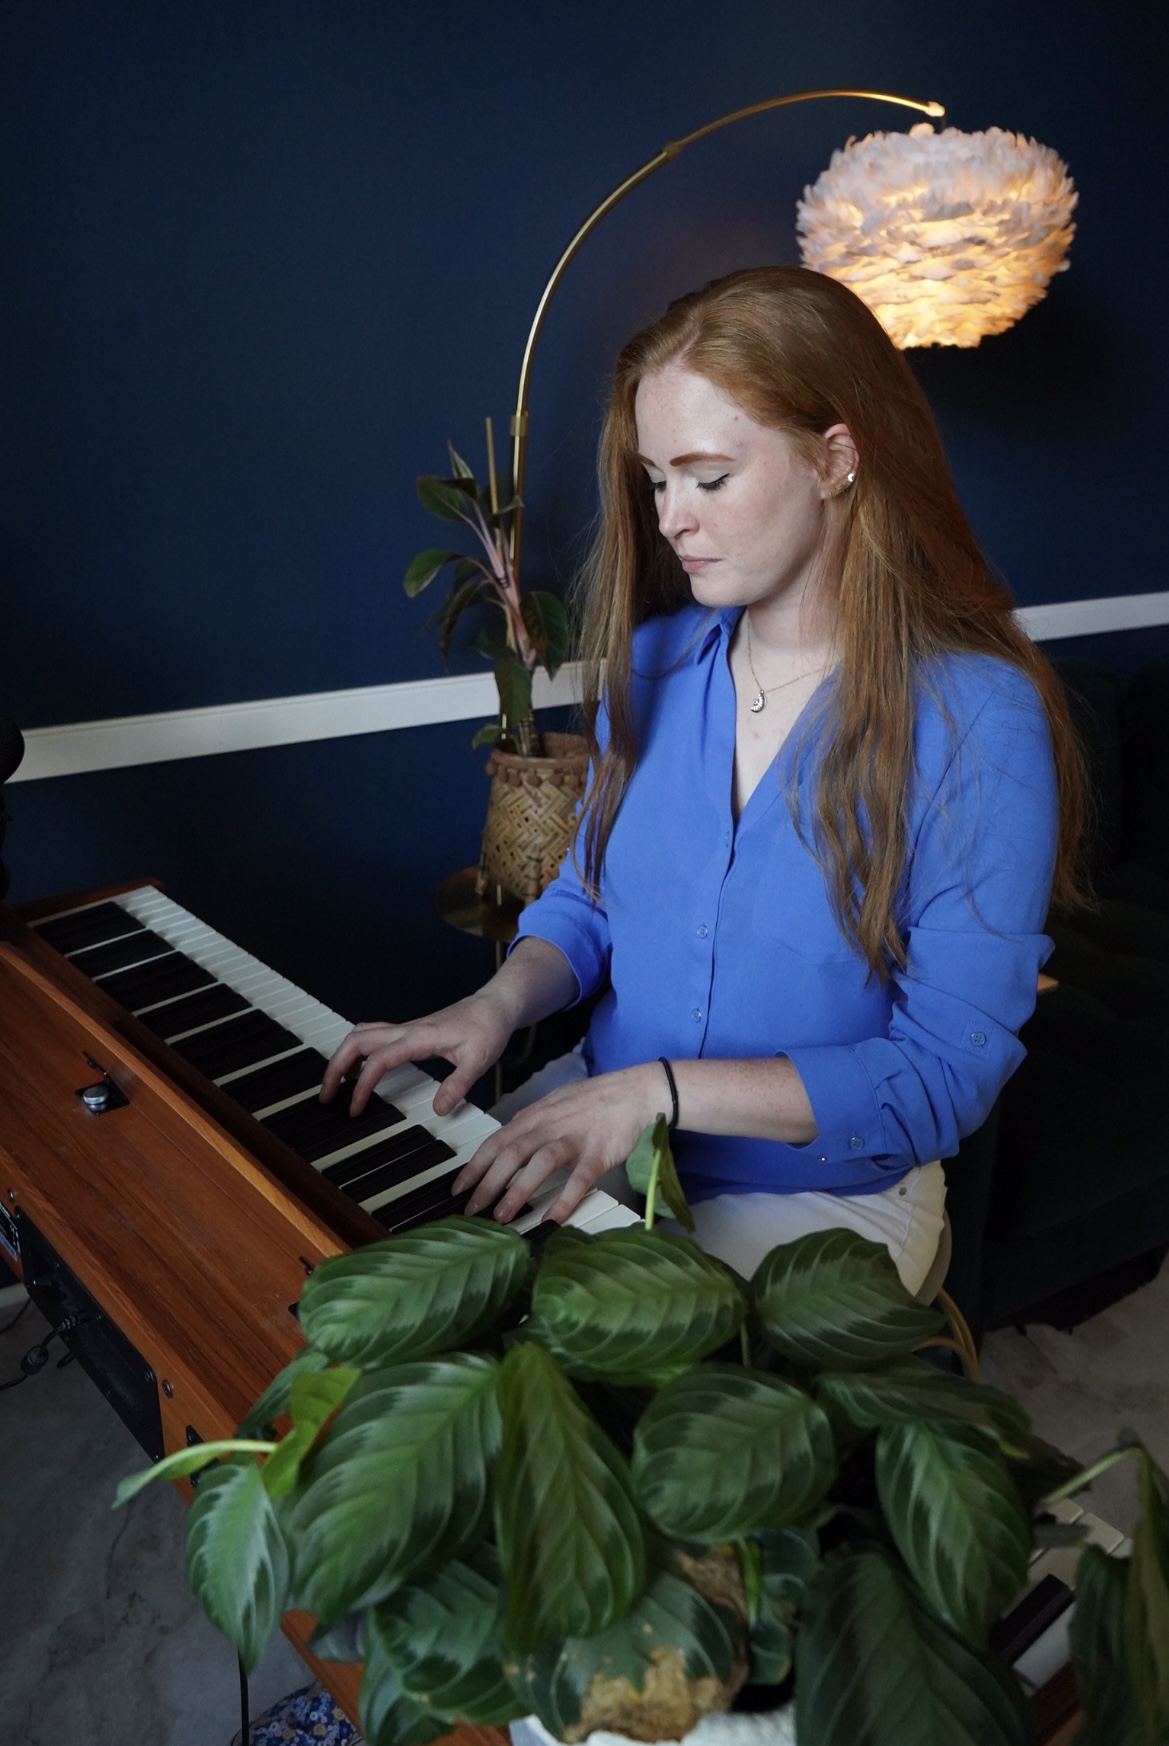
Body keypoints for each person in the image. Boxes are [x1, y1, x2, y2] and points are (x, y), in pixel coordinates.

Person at [321, 266, 1086, 1293]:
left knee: (585, 1371)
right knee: (386, 1288)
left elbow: (941, 1075)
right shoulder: (652, 665)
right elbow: (588, 900)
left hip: (817, 1193)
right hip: (603, 1106)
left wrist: (660, 1093)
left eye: (708, 478)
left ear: (835, 459)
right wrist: (497, 1005)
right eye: (654, 481)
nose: (670, 518)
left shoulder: (974, 721)